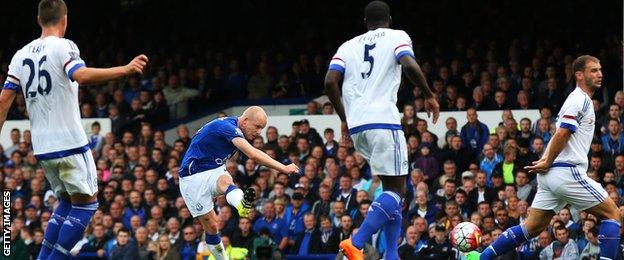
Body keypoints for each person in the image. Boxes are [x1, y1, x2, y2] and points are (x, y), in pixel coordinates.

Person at [0, 1, 148, 258]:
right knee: (87, 205)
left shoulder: (20, 55)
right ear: (65, 20)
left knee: (67, 202)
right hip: (69, 142)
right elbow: (81, 75)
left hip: (43, 148)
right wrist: (125, 69)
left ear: (38, 20)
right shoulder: (64, 46)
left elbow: (4, 100)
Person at [473, 55, 622, 260]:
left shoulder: (577, 99)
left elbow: (560, 133)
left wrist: (548, 161)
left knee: (532, 227)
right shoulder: (579, 99)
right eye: (594, 70)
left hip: (553, 174)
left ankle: (482, 257)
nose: (600, 74)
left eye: (600, 69)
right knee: (612, 214)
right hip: (566, 171)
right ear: (579, 75)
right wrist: (548, 160)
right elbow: (563, 132)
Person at [324, 1, 440, 259]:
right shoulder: (397, 36)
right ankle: (356, 241)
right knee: (398, 191)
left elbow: (330, 81)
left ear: (365, 22)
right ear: (390, 18)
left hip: (358, 127)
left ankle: (391, 255)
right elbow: (408, 64)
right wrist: (429, 94)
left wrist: (345, 117)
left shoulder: (348, 46)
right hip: (383, 121)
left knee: (390, 189)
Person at [178, 106, 298, 260]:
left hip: (214, 168)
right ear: (245, 120)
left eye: (262, 128)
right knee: (212, 226)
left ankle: (242, 205)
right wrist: (284, 168)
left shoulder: (233, 128)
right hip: (192, 178)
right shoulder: (227, 127)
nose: (259, 132)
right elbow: (253, 154)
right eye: (257, 126)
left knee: (226, 181)